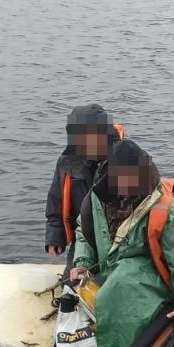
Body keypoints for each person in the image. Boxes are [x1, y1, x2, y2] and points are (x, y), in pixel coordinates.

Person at [68, 140, 174, 347]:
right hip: (110, 270)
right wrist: (82, 262)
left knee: (119, 288)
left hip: (148, 277)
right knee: (81, 293)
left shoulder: (172, 210)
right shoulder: (97, 199)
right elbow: (83, 233)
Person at [44, 104, 125, 271]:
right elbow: (56, 200)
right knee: (70, 289)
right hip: (82, 238)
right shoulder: (66, 163)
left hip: (119, 240)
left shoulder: (126, 157)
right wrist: (54, 237)